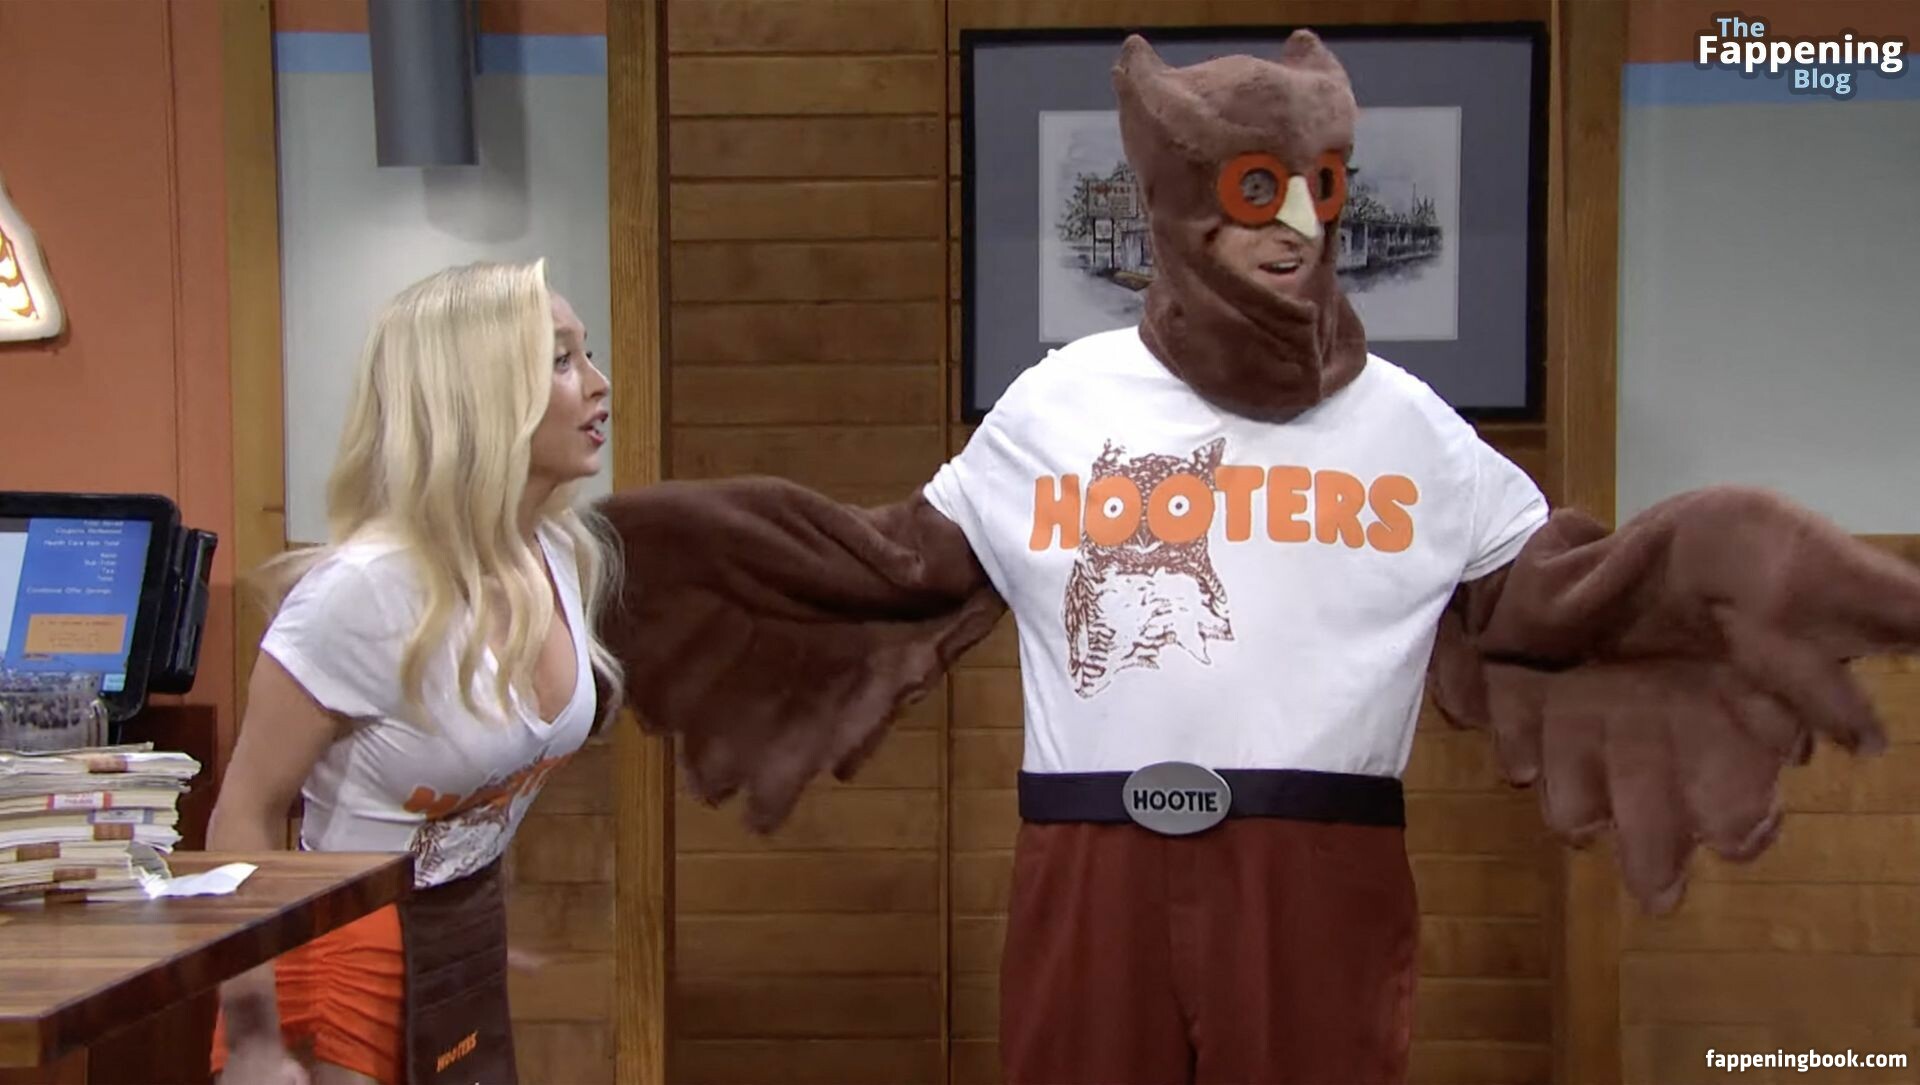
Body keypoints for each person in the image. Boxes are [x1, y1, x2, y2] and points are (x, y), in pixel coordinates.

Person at [586, 29, 1920, 1085]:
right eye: (1254, 191)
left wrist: (1722, 548)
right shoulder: (1057, 405)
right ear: (1181, 208)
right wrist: (621, 552)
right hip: (1091, 869)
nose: (1298, 225)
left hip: (1317, 873)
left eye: (1320, 189)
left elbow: (1564, 603)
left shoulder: (1411, 426)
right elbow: (883, 571)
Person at [206, 259, 623, 1085]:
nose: (598, 384)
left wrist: (470, 912)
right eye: (560, 359)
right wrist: (251, 1036)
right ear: (479, 396)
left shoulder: (559, 552)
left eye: (586, 353)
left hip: (457, 945)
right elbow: (242, 814)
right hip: (341, 961)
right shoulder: (361, 592)